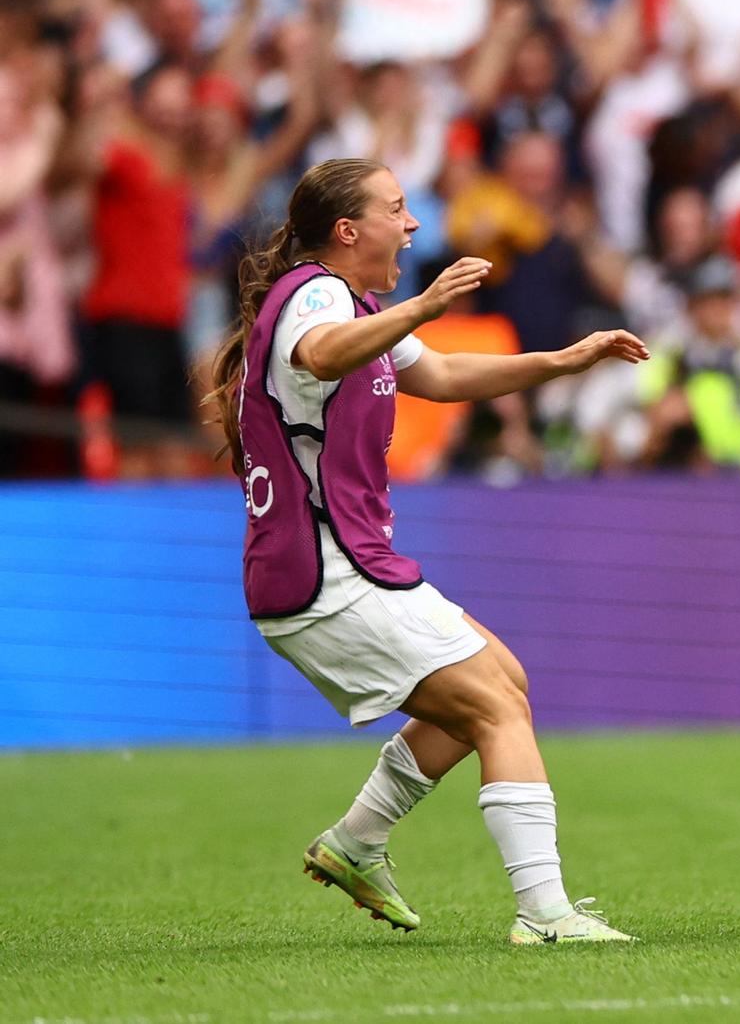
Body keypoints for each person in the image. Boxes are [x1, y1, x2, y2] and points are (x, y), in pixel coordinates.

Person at [205, 158, 648, 946]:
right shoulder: (319, 296)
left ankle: (356, 842)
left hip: (336, 566)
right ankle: (545, 915)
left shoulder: (348, 302)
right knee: (495, 706)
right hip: (324, 573)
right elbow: (321, 354)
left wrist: (562, 360)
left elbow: (441, 374)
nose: (413, 224)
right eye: (398, 209)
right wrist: (424, 304)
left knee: (499, 682)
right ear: (349, 231)